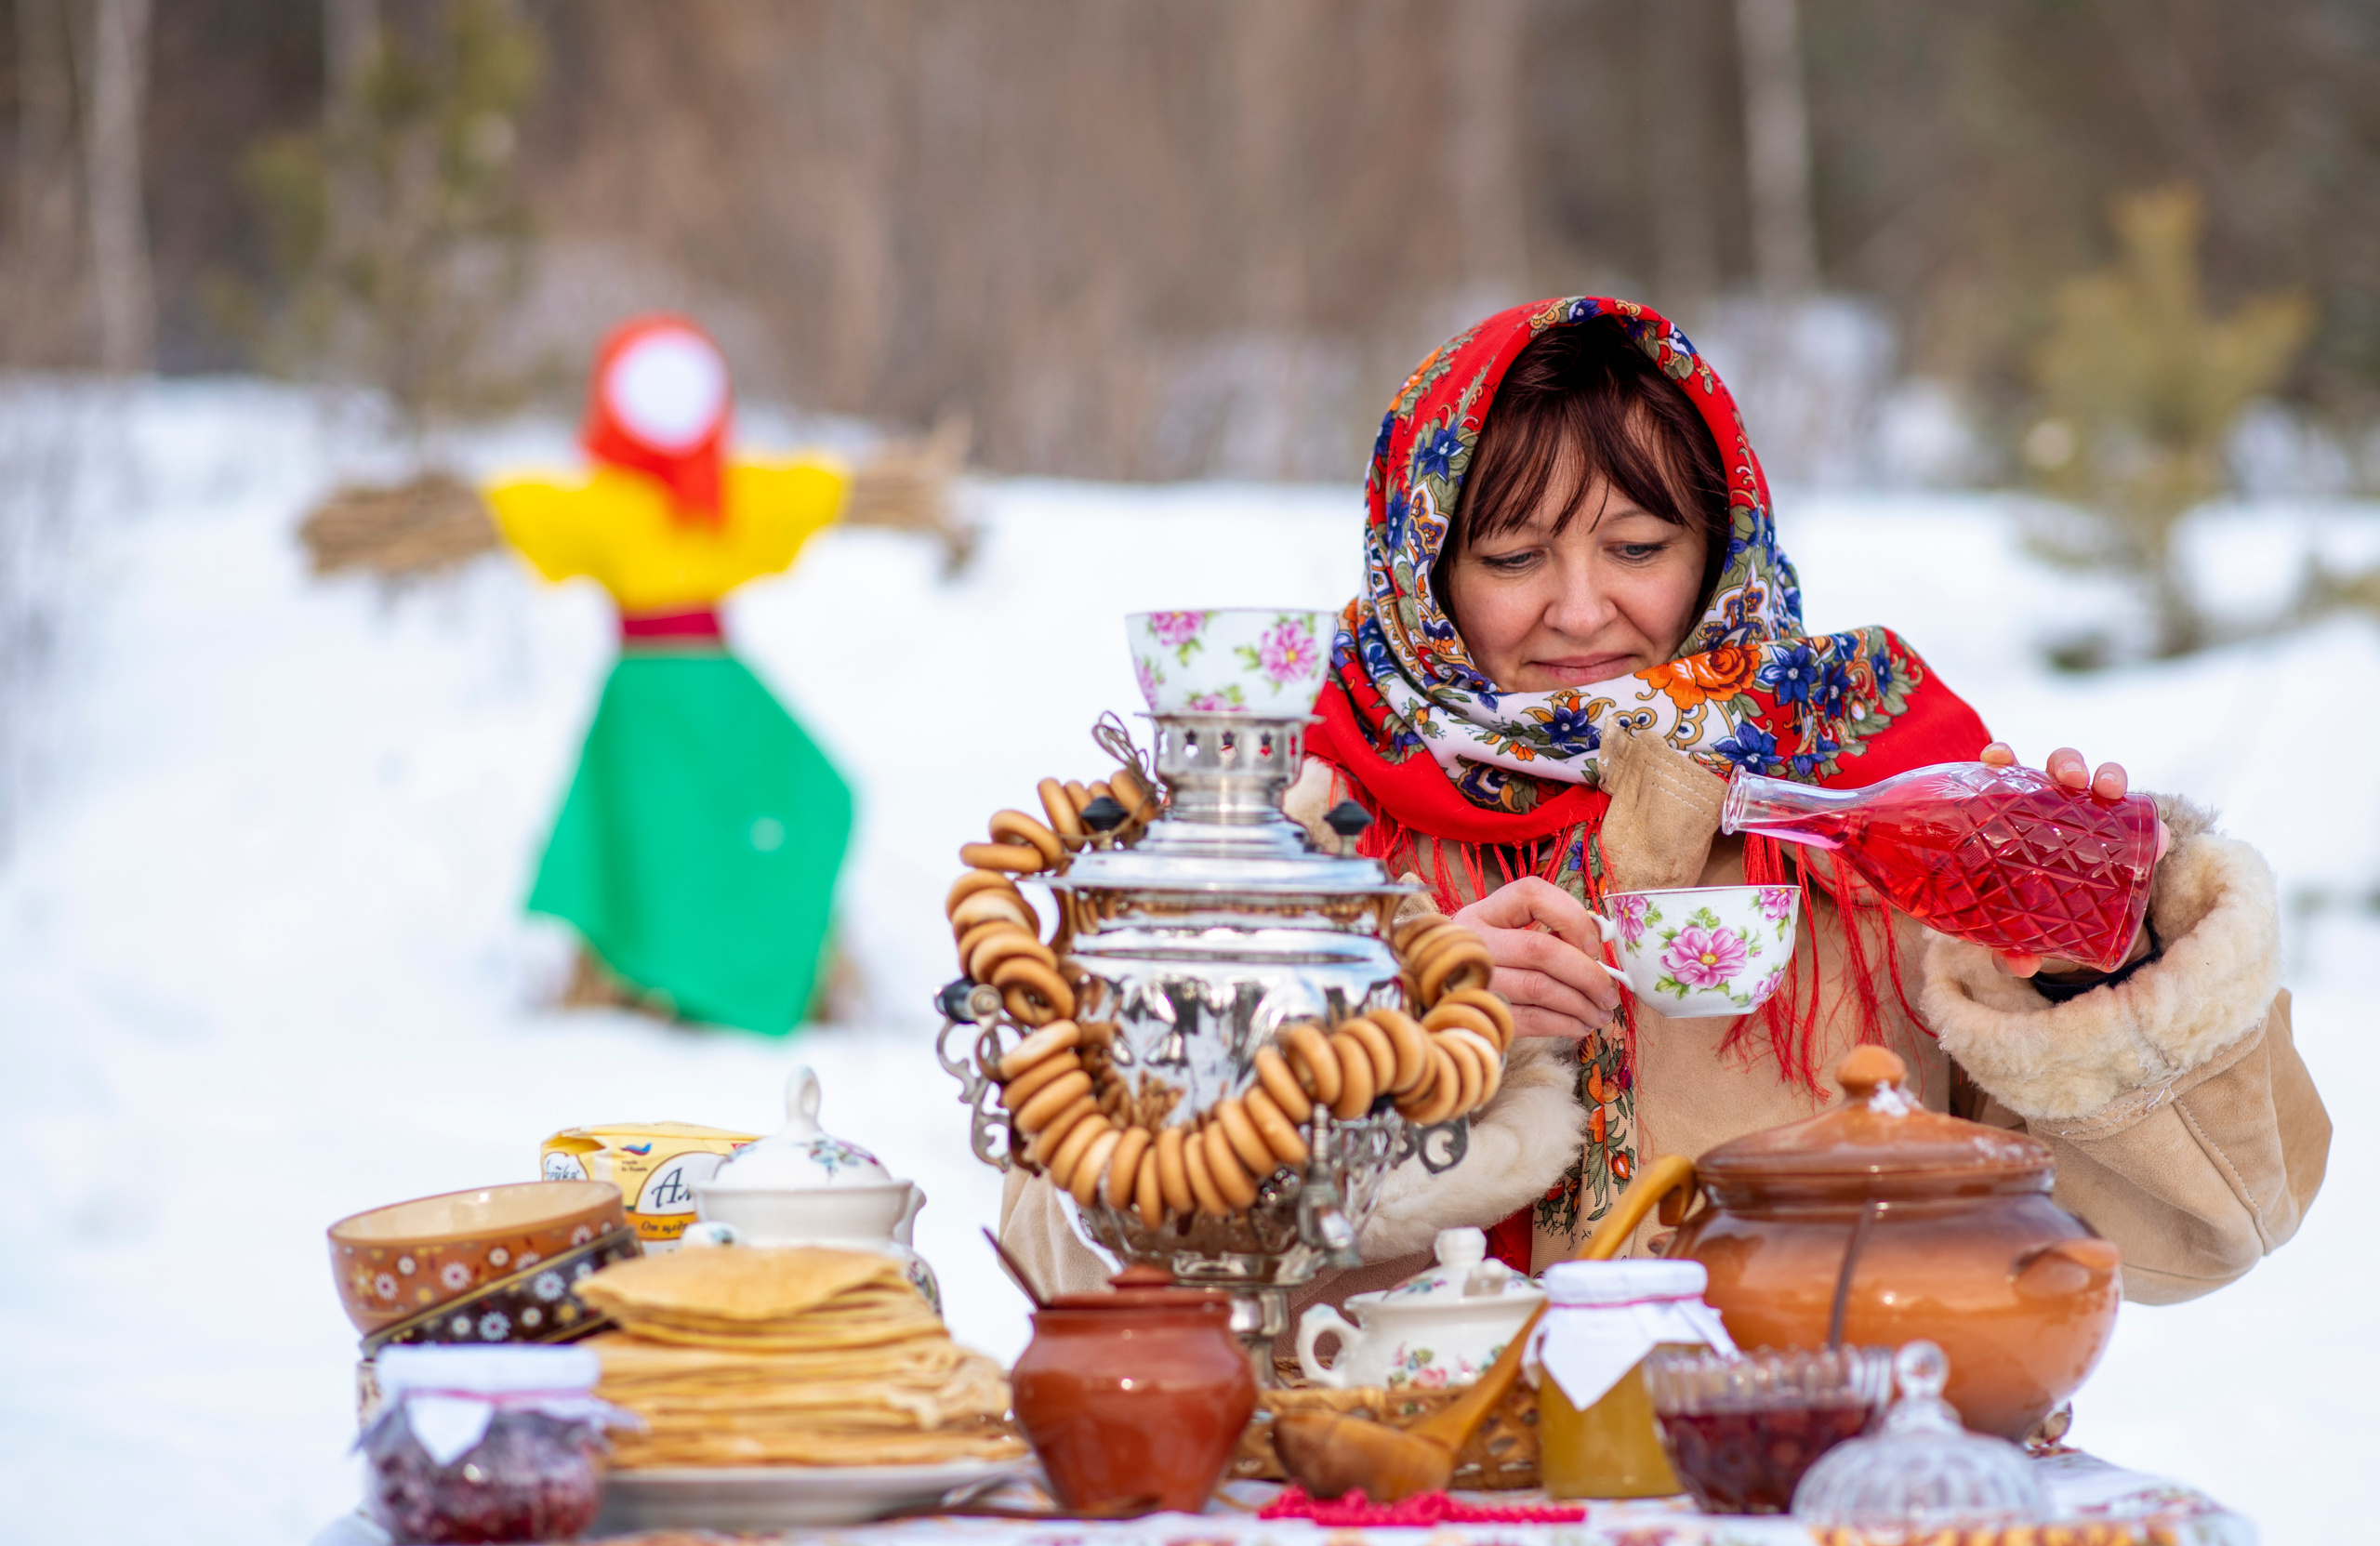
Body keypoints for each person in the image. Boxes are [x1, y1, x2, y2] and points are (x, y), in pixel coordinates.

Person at [1003, 297, 2329, 1332]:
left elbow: (2211, 1228)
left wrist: (2100, 961)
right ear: (1422, 569)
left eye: (1637, 548)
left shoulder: (1874, 778)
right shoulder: (1296, 820)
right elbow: (1072, 1250)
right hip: (1400, 1512)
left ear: (1720, 538)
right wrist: (1385, 1041)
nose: (1582, 611)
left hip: (1814, 1517)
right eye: (1514, 557)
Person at [487, 316, 860, 1035]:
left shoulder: (725, 496)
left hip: (717, 692)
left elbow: (806, 493)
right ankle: (643, 975)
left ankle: (770, 967)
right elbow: (527, 509)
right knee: (654, 834)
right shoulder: (607, 506)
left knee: (797, 798)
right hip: (648, 699)